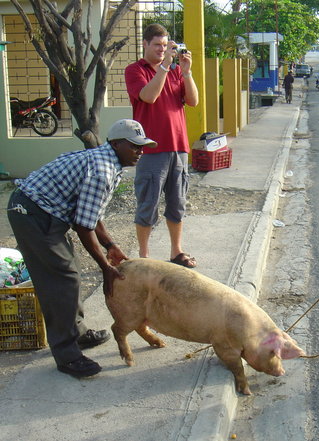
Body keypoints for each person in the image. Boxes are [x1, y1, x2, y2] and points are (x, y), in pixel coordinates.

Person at [6, 119, 157, 378]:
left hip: (45, 212)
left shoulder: (110, 162)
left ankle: (77, 332)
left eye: (142, 146)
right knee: (62, 280)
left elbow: (91, 213)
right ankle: (67, 355)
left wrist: (110, 245)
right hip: (31, 213)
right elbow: (83, 226)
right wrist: (105, 268)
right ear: (116, 144)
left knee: (71, 270)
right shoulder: (102, 170)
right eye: (134, 146)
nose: (140, 152)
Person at [125, 23, 199, 268]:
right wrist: (165, 66)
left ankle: (176, 251)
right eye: (157, 45)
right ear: (145, 44)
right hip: (151, 149)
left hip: (178, 147)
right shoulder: (135, 70)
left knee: (177, 203)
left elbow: (193, 101)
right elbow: (149, 96)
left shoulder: (176, 71)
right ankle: (144, 257)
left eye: (166, 46)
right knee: (148, 203)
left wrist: (186, 72)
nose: (162, 50)